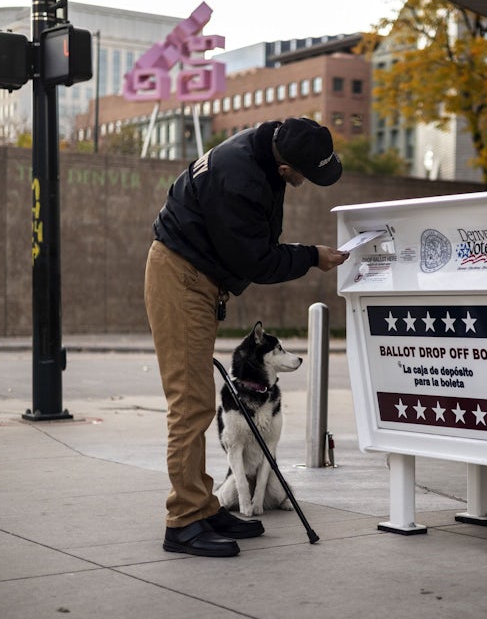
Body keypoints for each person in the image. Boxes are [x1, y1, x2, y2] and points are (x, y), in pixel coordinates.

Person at [144, 117, 349, 557]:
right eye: (305, 176)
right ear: (284, 168)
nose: (305, 183)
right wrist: (312, 257)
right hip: (181, 279)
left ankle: (203, 505)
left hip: (195, 278)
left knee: (196, 399)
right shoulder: (238, 179)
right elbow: (257, 260)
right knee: (191, 403)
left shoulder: (263, 149)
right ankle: (183, 521)